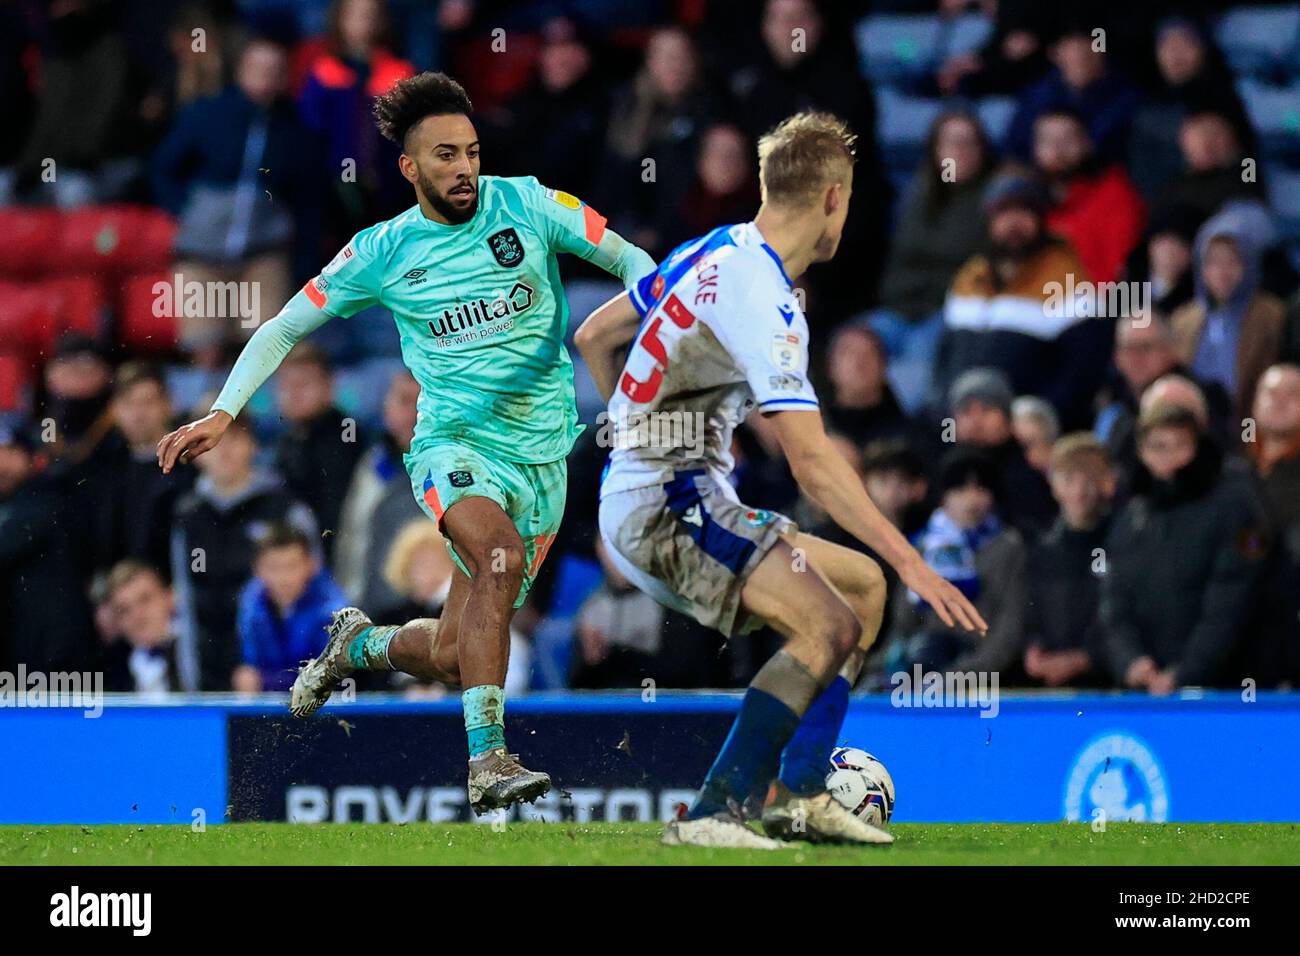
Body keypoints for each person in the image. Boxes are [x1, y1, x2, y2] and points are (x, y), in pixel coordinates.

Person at [157, 72, 655, 815]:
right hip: (453, 446)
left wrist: (654, 346)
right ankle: (488, 762)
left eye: (472, 152)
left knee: (459, 653)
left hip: (544, 455)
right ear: (410, 167)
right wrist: (226, 412)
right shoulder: (381, 250)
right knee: (497, 556)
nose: (464, 169)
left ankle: (355, 649)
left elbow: (633, 262)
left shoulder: (531, 203)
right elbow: (286, 325)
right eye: (446, 155)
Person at [575, 111, 986, 849]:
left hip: (663, 492)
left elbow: (595, 335)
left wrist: (635, 437)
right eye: (849, 198)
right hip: (672, 504)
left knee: (860, 589)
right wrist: (916, 560)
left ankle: (799, 796)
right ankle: (713, 812)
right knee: (829, 623)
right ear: (834, 198)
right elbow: (815, 467)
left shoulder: (714, 247)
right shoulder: (767, 300)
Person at [1101, 403, 1269, 693]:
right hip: (1147, 688)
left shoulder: (1233, 504)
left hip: (1222, 688)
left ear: (1198, 447)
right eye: (1158, 446)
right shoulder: (1132, 515)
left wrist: (1187, 672)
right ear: (1141, 452)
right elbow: (1113, 602)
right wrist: (1131, 661)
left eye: (1180, 445)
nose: (1168, 457)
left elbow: (1230, 602)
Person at [1022, 434, 1114, 688]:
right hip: (1050, 687)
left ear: (1107, 482)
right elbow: (1031, 613)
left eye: (1089, 480)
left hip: (1109, 687)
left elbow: (1126, 615)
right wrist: (1033, 648)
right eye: (1069, 479)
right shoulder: (1042, 550)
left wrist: (1086, 658)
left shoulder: (1125, 542)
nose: (1079, 491)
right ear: (1054, 485)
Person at [234, 525, 349, 693]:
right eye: (274, 567)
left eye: (292, 566)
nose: (284, 577)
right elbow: (252, 664)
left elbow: (327, 678)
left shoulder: (334, 610)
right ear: (257, 569)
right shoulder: (251, 604)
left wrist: (264, 683)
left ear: (311, 565)